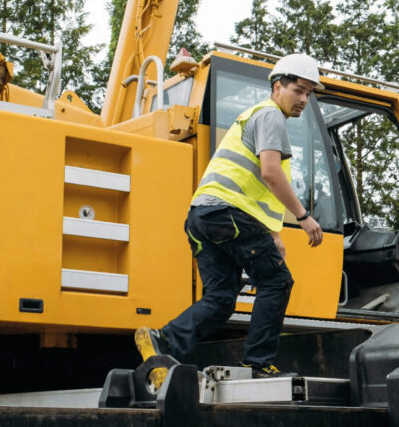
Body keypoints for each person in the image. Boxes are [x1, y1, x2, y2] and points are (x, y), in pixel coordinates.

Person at [135, 53, 324, 385]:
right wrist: (303, 216)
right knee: (277, 282)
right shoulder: (270, 116)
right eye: (298, 90)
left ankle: (162, 340)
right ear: (277, 87)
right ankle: (259, 363)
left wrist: (272, 234)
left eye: (309, 93)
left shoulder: (252, 116)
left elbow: (255, 186)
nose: (304, 100)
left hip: (203, 216)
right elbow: (270, 172)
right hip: (227, 214)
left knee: (221, 299)